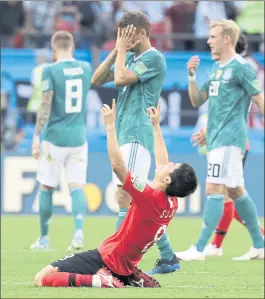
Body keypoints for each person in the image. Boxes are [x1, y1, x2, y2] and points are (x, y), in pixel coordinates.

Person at [33, 101, 198, 288]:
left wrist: (110, 127)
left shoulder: (148, 196)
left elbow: (119, 167)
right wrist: (156, 126)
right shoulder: (171, 202)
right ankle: (130, 276)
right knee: (121, 261)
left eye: (171, 166)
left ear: (168, 180)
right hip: (126, 263)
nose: (168, 163)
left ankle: (99, 280)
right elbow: (162, 162)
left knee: (41, 278)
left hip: (107, 257)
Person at [91, 11, 180, 274]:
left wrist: (120, 52)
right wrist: (117, 51)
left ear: (142, 33)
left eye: (127, 34)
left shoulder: (154, 58)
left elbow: (119, 79)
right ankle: (168, 257)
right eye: (120, 35)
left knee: (125, 196)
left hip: (137, 132)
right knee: (133, 200)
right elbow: (96, 80)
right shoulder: (128, 56)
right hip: (124, 132)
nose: (123, 39)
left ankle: (115, 261)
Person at [175, 20, 264, 261]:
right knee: (236, 191)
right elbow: (197, 100)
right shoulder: (215, 69)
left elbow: (258, 98)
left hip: (229, 139)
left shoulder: (242, 68)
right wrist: (191, 77)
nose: (208, 40)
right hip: (215, 138)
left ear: (227, 39)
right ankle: (260, 244)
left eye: (213, 36)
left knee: (214, 189)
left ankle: (200, 248)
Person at [30, 31, 93, 251]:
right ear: (73, 46)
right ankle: (78, 233)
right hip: (78, 137)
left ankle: (44, 238)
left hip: (54, 138)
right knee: (76, 187)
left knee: (47, 186)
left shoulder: (50, 70)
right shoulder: (85, 68)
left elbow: (45, 105)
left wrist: (36, 135)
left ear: (53, 48)